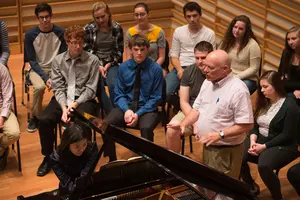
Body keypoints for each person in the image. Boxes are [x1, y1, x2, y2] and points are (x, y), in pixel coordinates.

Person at [168, 50, 253, 180]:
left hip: (226, 150)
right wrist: (183, 124)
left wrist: (220, 134)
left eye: (210, 67)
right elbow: (197, 109)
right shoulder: (208, 82)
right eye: (205, 66)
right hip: (209, 146)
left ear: (225, 69)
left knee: (224, 192)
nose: (205, 70)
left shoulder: (238, 90)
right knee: (210, 187)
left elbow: (246, 125)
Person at [36, 25, 99, 177]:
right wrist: (64, 108)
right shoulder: (58, 61)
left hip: (83, 99)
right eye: (72, 42)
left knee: (84, 122)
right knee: (44, 120)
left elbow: (91, 89)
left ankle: (84, 158)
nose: (77, 46)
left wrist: (75, 105)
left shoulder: (93, 60)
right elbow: (58, 88)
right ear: (67, 42)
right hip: (63, 99)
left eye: (79, 42)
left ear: (83, 42)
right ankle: (48, 157)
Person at [99, 34, 163, 161]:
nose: (139, 53)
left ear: (148, 49)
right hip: (126, 106)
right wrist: (127, 110)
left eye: (142, 50)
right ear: (130, 50)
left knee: (146, 128)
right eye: (135, 50)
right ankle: (113, 160)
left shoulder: (156, 69)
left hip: (146, 109)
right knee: (105, 124)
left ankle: (147, 161)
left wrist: (138, 114)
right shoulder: (123, 67)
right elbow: (119, 93)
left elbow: (156, 98)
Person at [240, 71, 299, 200]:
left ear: (276, 86)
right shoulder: (263, 102)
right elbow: (255, 126)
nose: (262, 90)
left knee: (264, 165)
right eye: (261, 87)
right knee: (238, 154)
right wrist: (252, 140)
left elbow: (287, 135)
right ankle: (250, 186)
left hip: (283, 144)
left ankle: (277, 197)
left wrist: (264, 146)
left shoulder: (290, 105)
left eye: (266, 87)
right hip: (261, 140)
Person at [25, 3, 67, 133]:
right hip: (38, 68)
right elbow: (32, 60)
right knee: (39, 87)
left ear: (51, 16)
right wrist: (46, 78)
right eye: (41, 17)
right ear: (37, 18)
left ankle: (64, 114)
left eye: (47, 17)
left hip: (56, 68)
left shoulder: (61, 33)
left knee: (65, 84)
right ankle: (35, 117)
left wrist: (55, 75)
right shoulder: (30, 35)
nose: (44, 20)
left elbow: (63, 57)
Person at [165, 41, 213, 153]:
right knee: (172, 130)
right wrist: (194, 123)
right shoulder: (189, 71)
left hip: (210, 113)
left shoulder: (216, 72)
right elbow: (184, 102)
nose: (200, 62)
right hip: (189, 111)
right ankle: (174, 165)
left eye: (203, 58)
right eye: (197, 58)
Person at [166, 1, 215, 99]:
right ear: (185, 17)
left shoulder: (209, 33)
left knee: (202, 93)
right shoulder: (179, 31)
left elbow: (211, 57)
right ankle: (180, 108)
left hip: (201, 67)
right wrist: (179, 69)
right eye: (189, 16)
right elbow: (174, 55)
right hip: (181, 66)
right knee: (167, 92)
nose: (192, 19)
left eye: (194, 15)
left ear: (200, 15)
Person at [84, 1, 123, 111]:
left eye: (102, 16)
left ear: (108, 14)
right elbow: (86, 53)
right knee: (98, 86)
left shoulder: (117, 28)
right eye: (97, 18)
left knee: (113, 85)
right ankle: (110, 112)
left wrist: (109, 64)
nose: (100, 20)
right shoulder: (88, 29)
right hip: (94, 63)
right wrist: (98, 65)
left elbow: (119, 51)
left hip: (112, 62)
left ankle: (116, 112)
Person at [49, 123, 98, 196]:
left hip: (87, 183)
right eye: (77, 147)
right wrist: (75, 190)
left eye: (84, 144)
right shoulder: (56, 158)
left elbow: (86, 172)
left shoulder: (92, 148)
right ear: (67, 144)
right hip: (68, 187)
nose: (81, 149)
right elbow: (65, 180)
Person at [218, 15, 261, 95]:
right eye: (235, 27)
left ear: (246, 31)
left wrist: (236, 77)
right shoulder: (225, 41)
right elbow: (218, 57)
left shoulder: (253, 45)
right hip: (227, 76)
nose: (236, 31)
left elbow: (254, 68)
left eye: (241, 29)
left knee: (233, 92)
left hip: (247, 79)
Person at [125, 2, 167, 77]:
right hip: (136, 66)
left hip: (154, 65)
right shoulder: (130, 32)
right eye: (136, 15)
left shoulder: (159, 31)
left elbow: (162, 57)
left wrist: (152, 69)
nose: (139, 17)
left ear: (148, 14)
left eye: (142, 14)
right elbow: (129, 57)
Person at [278, 25, 300, 106]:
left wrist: (285, 83)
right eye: (288, 39)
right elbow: (280, 73)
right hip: (289, 88)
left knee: (289, 100)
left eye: (294, 39)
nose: (290, 42)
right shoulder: (286, 52)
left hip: (297, 91)